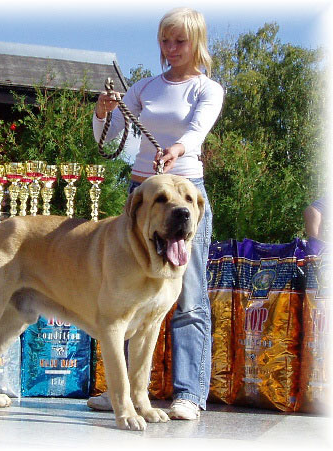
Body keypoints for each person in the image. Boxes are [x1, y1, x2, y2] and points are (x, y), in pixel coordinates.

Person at [88, 7, 224, 420]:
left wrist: (179, 150)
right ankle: (122, 393)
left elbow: (196, 131)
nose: (171, 48)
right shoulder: (143, 87)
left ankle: (189, 393)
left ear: (196, 42)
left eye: (180, 40)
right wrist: (102, 112)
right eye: (166, 40)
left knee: (189, 295)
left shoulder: (207, 89)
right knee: (125, 296)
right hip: (142, 195)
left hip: (186, 194)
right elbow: (109, 139)